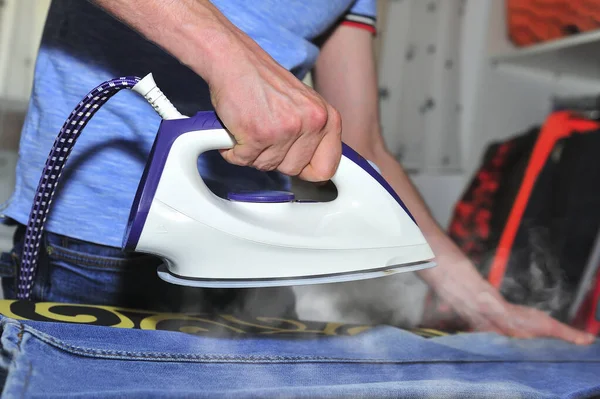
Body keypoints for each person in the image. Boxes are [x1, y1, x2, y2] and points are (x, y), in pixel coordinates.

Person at [0, 0, 594, 344]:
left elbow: (360, 146)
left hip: (257, 266)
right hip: (93, 240)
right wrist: (232, 57)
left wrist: (484, 304)